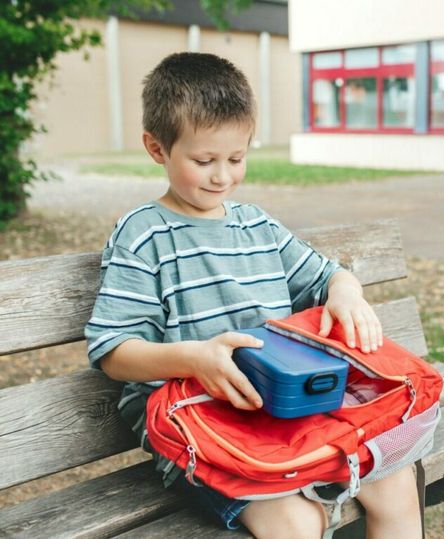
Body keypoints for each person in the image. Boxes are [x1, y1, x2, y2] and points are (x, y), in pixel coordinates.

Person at [84, 52, 422, 539]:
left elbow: (331, 275)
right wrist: (195, 359)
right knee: (298, 522)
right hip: (198, 423)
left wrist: (345, 292)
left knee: (395, 484)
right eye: (204, 161)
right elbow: (113, 352)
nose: (222, 177)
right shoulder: (145, 235)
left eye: (236, 159)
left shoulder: (257, 226)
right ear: (157, 148)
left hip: (282, 412)